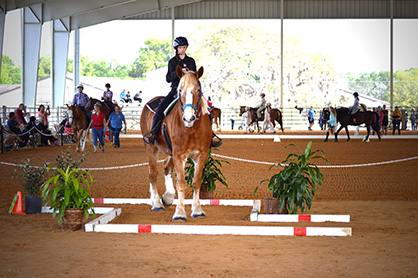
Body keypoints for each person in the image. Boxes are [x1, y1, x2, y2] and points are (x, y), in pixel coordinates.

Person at [143, 36, 222, 148]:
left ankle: (211, 135)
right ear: (177, 48)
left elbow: (195, 77)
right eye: (180, 47)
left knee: (207, 110)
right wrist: (179, 72)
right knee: (161, 109)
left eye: (184, 47)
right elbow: (168, 78)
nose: (183, 49)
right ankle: (153, 132)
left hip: (191, 90)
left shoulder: (191, 61)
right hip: (176, 90)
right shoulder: (172, 62)